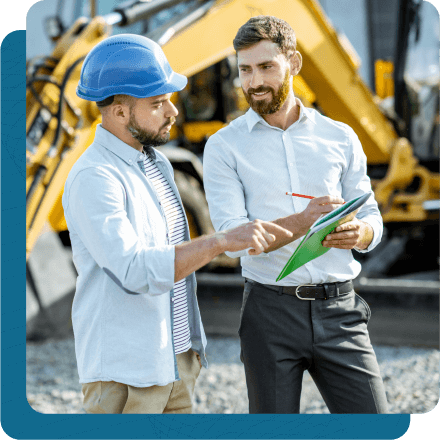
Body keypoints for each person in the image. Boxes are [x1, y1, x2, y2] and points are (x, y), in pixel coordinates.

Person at [62, 33, 292, 414]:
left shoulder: (157, 165)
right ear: (119, 112)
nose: (173, 111)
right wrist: (219, 242)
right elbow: (134, 270)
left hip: (175, 362)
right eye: (157, 103)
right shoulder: (95, 178)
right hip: (125, 377)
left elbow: (173, 261)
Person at [203, 16, 388, 414]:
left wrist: (361, 233)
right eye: (245, 70)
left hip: (341, 312)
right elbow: (234, 238)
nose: (254, 83)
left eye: (266, 67)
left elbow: (371, 213)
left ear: (294, 63)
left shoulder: (340, 137)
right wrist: (304, 220)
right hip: (269, 314)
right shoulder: (223, 147)